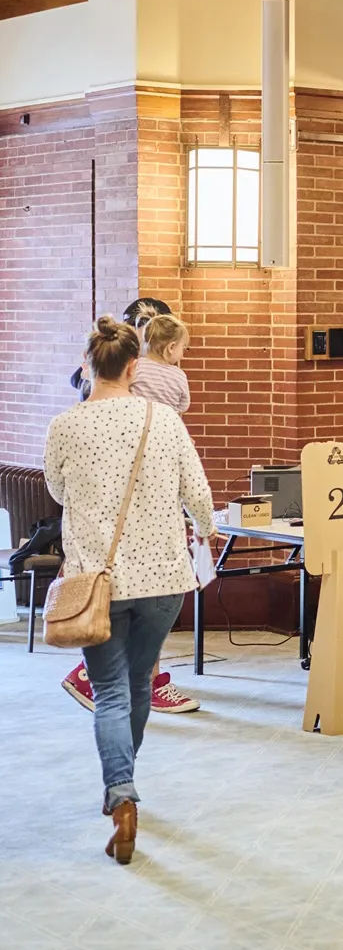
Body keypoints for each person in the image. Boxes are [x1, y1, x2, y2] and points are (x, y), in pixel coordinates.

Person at [44, 316, 216, 864]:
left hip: (101, 581)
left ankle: (121, 794)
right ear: (135, 366)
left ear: (89, 365)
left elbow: (56, 488)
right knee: (139, 682)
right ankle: (124, 784)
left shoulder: (66, 426)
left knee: (111, 690)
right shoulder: (164, 421)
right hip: (166, 578)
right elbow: (200, 496)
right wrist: (207, 529)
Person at [62, 297, 199, 715]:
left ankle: (111, 678)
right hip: (138, 501)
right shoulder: (157, 397)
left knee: (123, 604)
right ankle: (124, 680)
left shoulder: (90, 407)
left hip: (115, 503)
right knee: (145, 596)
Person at [129, 313, 191, 413]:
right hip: (167, 425)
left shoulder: (134, 367)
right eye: (183, 348)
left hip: (136, 422)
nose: (182, 355)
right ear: (171, 347)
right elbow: (183, 406)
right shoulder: (179, 375)